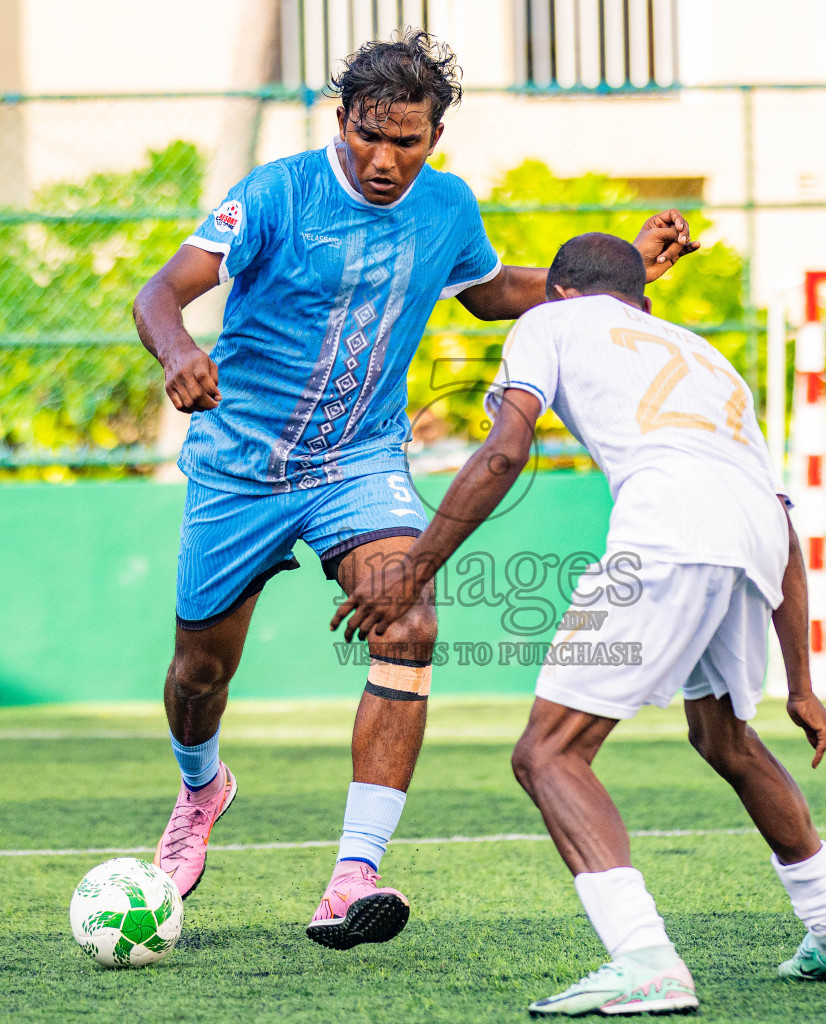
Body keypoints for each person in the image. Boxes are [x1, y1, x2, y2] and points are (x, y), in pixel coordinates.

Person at [130, 31, 699, 951]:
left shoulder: (445, 207)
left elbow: (492, 291)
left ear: (436, 135)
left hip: (358, 459)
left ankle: (354, 874)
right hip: (239, 462)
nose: (387, 159)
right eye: (370, 136)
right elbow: (162, 291)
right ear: (342, 119)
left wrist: (622, 273)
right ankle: (201, 790)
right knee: (200, 672)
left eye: (410, 141)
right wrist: (181, 350)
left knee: (411, 620)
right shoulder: (276, 193)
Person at [332, 233, 826, 1013]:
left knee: (548, 753)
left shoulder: (547, 324)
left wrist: (415, 567)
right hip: (755, 540)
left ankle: (645, 960)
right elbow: (781, 520)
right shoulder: (706, 356)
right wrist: (801, 683)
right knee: (726, 739)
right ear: (643, 301)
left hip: (666, 530)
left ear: (558, 291)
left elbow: (504, 451)